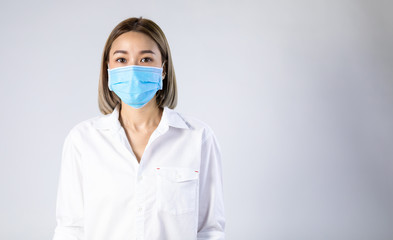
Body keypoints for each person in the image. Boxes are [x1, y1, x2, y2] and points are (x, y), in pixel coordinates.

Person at [52, 17, 225, 240]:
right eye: (122, 59)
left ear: (163, 69)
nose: (133, 69)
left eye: (145, 59)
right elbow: (71, 229)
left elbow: (210, 230)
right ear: (108, 69)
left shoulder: (198, 138)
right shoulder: (83, 140)